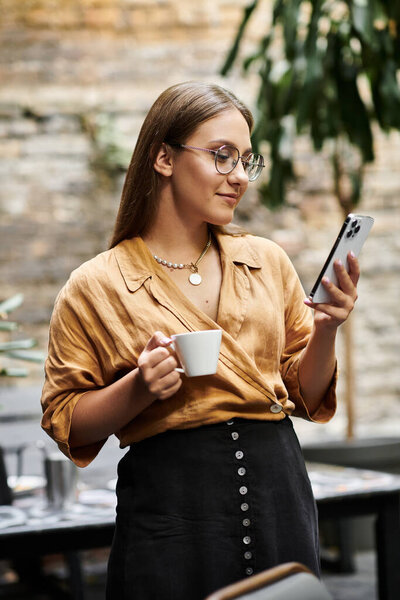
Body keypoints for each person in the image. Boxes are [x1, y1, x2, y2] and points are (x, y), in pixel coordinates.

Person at [41, 81, 359, 600]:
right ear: (163, 158)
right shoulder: (95, 285)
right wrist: (139, 388)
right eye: (222, 156)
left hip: (280, 494)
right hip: (172, 514)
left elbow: (304, 393)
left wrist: (326, 329)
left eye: (246, 161)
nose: (239, 177)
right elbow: (67, 422)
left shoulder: (266, 260)